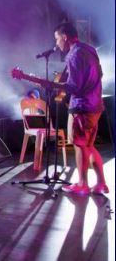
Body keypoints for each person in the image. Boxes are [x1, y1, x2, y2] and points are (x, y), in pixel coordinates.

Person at [52, 22, 108, 195]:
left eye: (57, 39)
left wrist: (53, 85)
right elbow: (100, 74)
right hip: (95, 105)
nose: (56, 44)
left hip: (82, 107)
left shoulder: (73, 55)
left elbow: (74, 87)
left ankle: (82, 184)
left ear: (64, 37)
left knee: (79, 144)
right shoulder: (90, 50)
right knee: (89, 146)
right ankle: (101, 184)